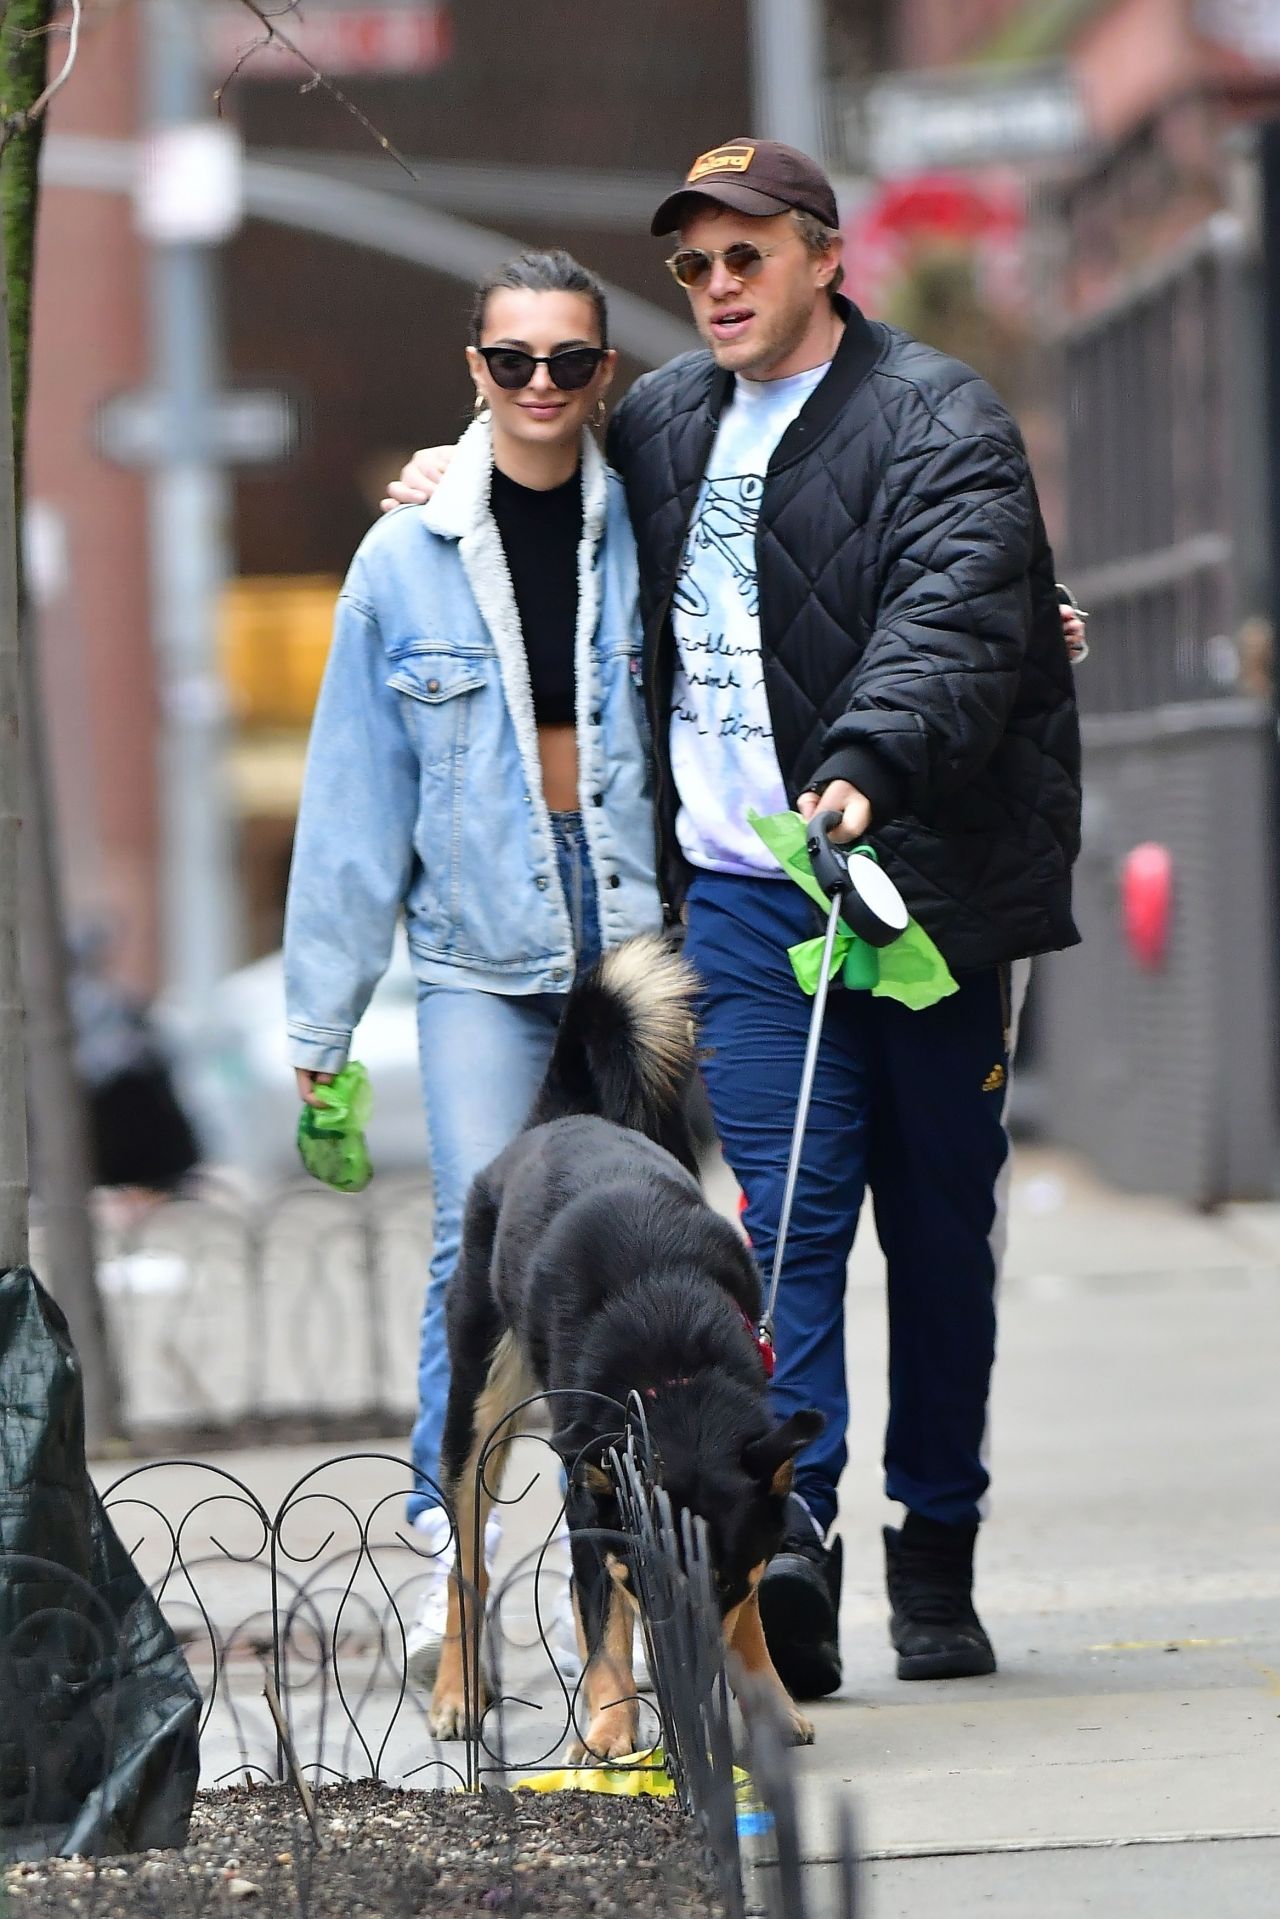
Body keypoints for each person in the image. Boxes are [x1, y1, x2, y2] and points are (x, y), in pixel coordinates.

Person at [385, 139, 1084, 1703]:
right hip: (751, 908)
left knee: (943, 1235)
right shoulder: (662, 423)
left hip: (923, 897)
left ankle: (937, 1547)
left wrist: (864, 769)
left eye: (744, 256)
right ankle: (794, 1536)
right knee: (784, 1226)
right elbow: (544, 452)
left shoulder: (940, 418)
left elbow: (956, 618)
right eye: (692, 265)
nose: (714, 288)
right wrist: (458, 467)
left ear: (825, 256)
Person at [285, 250, 663, 1687]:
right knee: (480, 1249)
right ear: (476, 373)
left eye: (572, 362)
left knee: (628, 1268)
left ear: (607, 374)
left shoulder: (653, 521)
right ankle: (455, 1587)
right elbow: (352, 798)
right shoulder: (406, 557)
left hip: (629, 936)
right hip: (474, 952)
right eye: (515, 363)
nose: (544, 388)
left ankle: (618, 1616)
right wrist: (319, 1017)